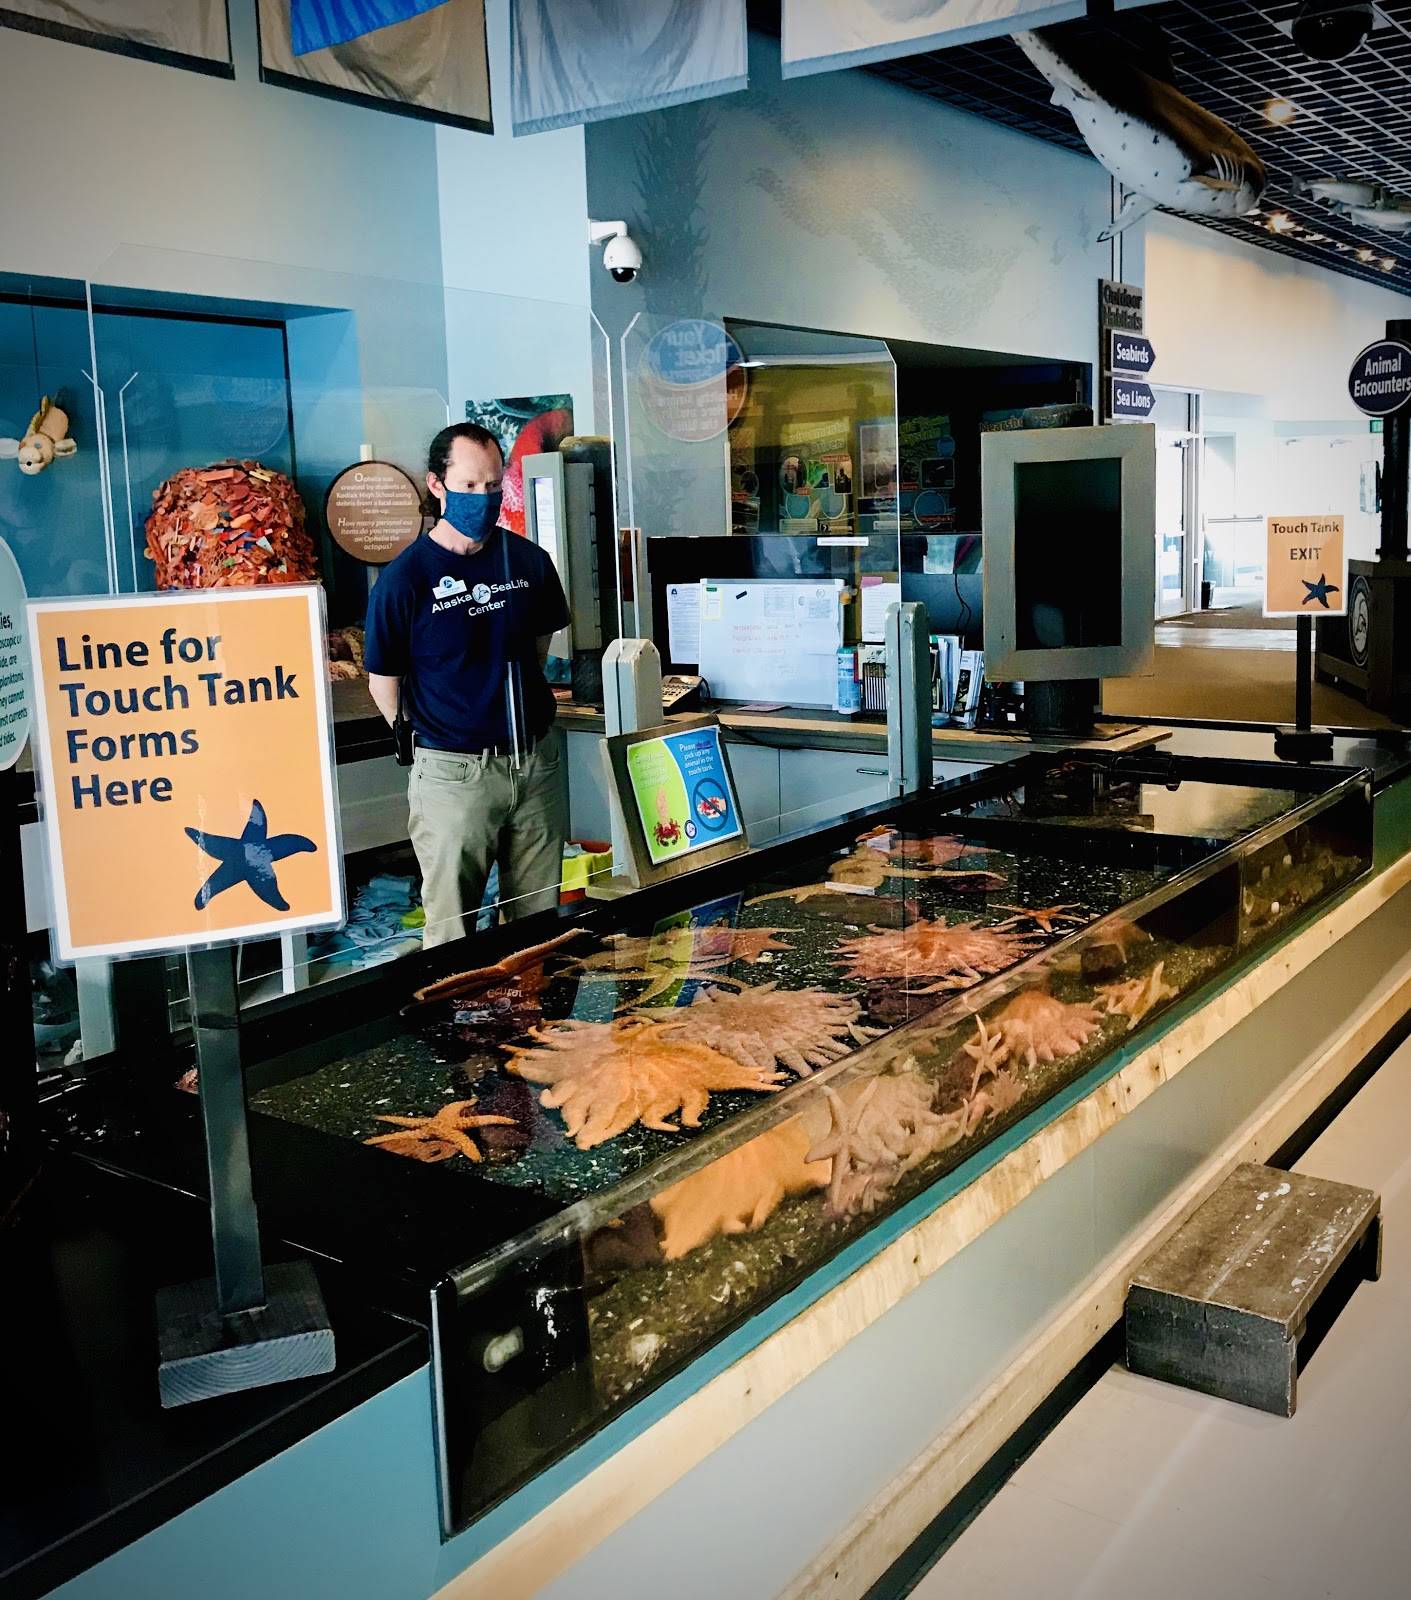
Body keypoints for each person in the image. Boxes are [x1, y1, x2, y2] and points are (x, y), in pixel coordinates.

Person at [365, 421, 569, 947]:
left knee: (536, 925)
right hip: (454, 774)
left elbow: (539, 646)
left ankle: (531, 1024)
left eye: (494, 485)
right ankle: (455, 1029)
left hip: (535, 763)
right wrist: (422, 735)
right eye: (471, 486)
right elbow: (383, 681)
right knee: (453, 930)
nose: (484, 498)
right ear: (437, 485)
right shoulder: (404, 580)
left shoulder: (528, 562)